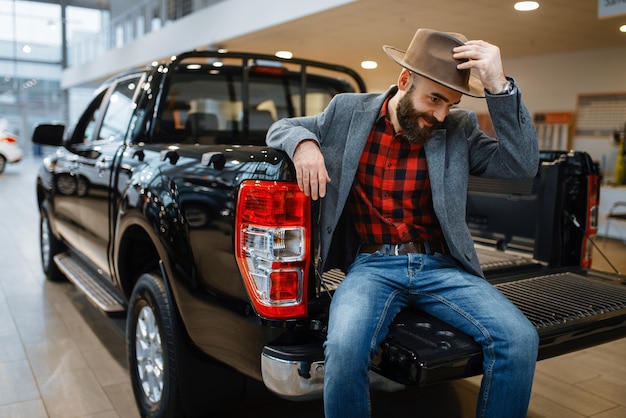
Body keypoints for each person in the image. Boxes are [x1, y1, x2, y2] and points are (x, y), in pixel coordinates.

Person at [266, 28, 540, 418]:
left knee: (520, 338)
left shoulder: (458, 129)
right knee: (344, 348)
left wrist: (499, 85)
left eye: (451, 103)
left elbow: (522, 164)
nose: (441, 113)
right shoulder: (347, 112)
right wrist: (304, 145)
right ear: (404, 81)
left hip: (441, 267)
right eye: (434, 99)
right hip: (372, 268)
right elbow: (281, 127)